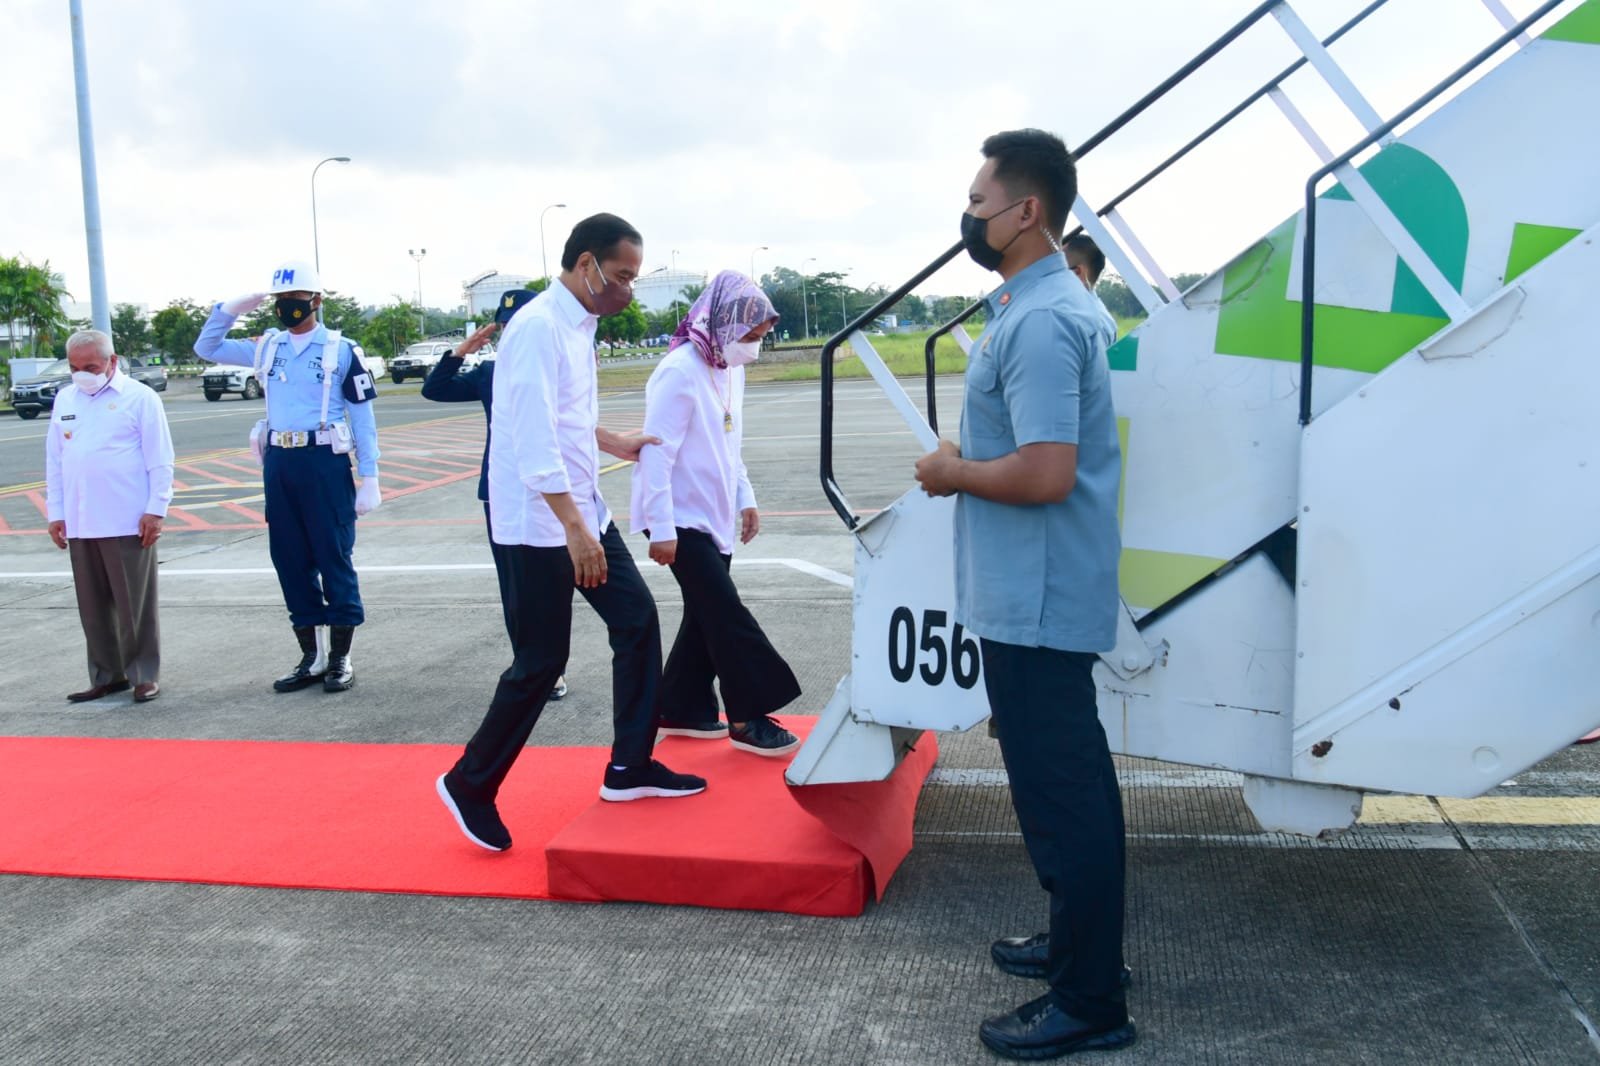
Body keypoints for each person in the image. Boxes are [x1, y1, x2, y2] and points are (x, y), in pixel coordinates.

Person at [914, 129, 1135, 1059]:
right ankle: (1076, 950)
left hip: (1038, 600)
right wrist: (969, 458)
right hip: (1030, 593)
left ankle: (1090, 1000)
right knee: (1056, 790)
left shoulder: (1043, 320)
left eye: (979, 200)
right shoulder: (1038, 306)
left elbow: (1046, 474)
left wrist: (949, 473)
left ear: (1027, 210)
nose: (969, 214)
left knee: (1064, 793)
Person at [435, 213, 705, 855]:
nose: (628, 290)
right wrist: (574, 531)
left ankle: (629, 766)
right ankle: (470, 783)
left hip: (582, 509)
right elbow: (530, 442)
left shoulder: (578, 326)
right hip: (539, 523)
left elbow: (568, 417)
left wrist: (616, 441)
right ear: (586, 264)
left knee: (637, 620)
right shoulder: (535, 329)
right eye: (621, 276)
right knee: (540, 661)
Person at [631, 271, 801, 756]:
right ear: (722, 324)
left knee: (706, 612)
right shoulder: (679, 372)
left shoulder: (729, 368)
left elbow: (729, 442)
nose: (755, 347)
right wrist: (661, 529)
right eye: (749, 336)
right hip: (678, 517)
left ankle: (680, 705)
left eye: (761, 337)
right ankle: (748, 716)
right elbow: (656, 454)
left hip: (713, 511)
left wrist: (744, 495)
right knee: (726, 614)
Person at [194, 259, 381, 694]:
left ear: (316, 301)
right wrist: (228, 309)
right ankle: (311, 657)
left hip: (324, 462)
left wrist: (370, 475)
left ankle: (340, 658)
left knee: (333, 556)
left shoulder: (341, 350)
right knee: (290, 560)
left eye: (295, 300)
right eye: (280, 301)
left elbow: (364, 417)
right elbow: (207, 347)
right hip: (280, 461)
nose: (287, 309)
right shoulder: (267, 347)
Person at [421, 289, 567, 701]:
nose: (508, 333)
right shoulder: (491, 372)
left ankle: (551, 662)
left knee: (556, 584)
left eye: (514, 324)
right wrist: (460, 352)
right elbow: (436, 389)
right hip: (502, 492)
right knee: (517, 588)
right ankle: (533, 666)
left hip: (555, 489)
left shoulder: (557, 363)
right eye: (503, 327)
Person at [45, 329, 174, 704]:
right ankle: (106, 674)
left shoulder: (139, 398)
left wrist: (156, 510)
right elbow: (56, 462)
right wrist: (57, 513)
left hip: (126, 519)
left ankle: (143, 675)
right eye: (74, 367)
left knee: (135, 606)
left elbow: (160, 459)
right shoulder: (66, 399)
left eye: (91, 366)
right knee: (94, 607)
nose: (82, 374)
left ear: (112, 362)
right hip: (82, 519)